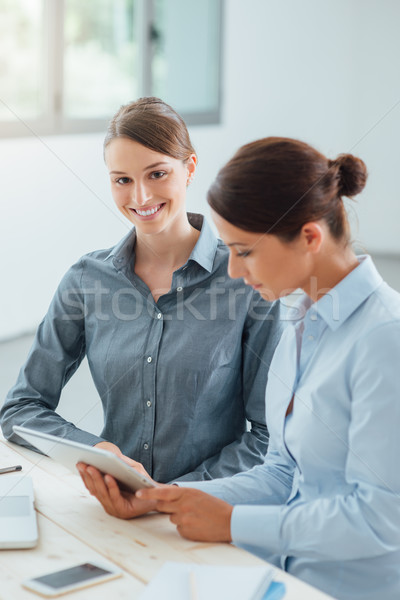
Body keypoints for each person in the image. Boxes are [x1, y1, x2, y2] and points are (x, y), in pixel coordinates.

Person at [80, 137, 400, 600]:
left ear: (310, 237)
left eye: (244, 251)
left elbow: (382, 518)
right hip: (277, 579)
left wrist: (232, 522)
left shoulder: (384, 338)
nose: (231, 270)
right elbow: (283, 472)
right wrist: (161, 497)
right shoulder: (297, 317)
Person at [0, 99, 282, 483]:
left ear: (190, 169)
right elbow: (21, 409)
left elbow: (269, 437)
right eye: (122, 180)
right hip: (112, 507)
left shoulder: (246, 280)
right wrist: (96, 453)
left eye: (156, 174)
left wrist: (172, 495)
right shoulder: (86, 280)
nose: (140, 198)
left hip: (207, 512)